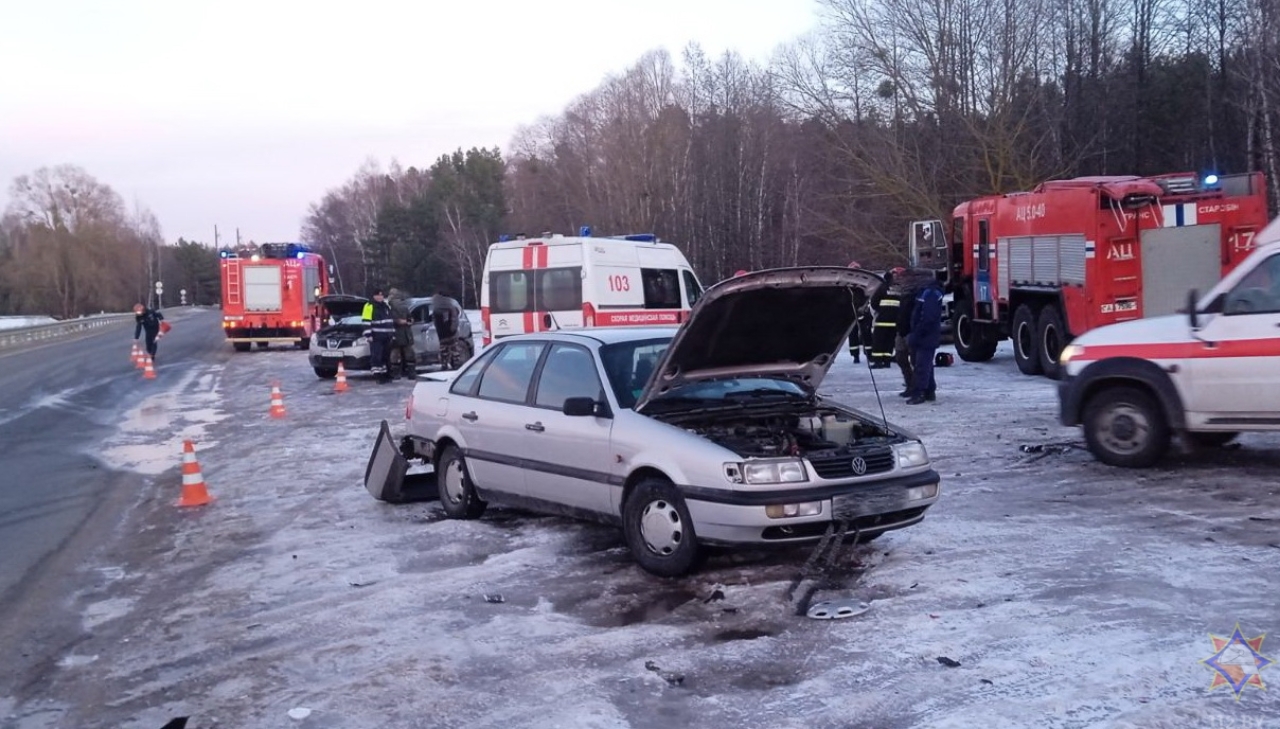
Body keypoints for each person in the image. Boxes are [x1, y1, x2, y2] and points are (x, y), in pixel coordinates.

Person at [905, 275, 946, 404]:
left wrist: (917, 333)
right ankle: (929, 390)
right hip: (926, 335)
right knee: (926, 364)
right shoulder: (928, 292)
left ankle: (920, 393)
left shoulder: (930, 293)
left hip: (925, 336)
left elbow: (928, 317)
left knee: (922, 365)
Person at [869, 268, 902, 369]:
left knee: (878, 341)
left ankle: (878, 361)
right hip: (894, 321)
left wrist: (881, 310)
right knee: (889, 341)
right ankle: (887, 361)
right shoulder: (899, 289)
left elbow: (874, 302)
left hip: (882, 320)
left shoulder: (882, 287)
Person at [361, 289, 396, 383]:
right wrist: (368, 335)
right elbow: (366, 321)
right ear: (374, 296)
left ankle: (385, 375)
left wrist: (392, 334)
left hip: (387, 336)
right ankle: (378, 376)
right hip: (376, 336)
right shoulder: (369, 306)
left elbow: (390, 321)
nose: (380, 297)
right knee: (377, 357)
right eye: (378, 295)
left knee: (385, 357)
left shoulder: (385, 306)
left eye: (381, 295)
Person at [894, 271, 918, 395]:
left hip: (910, 331)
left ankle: (916, 387)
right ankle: (910, 384)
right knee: (900, 358)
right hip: (901, 330)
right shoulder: (902, 294)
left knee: (915, 361)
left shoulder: (915, 294)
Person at [430, 288, 463, 370]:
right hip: (451, 333)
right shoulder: (451, 307)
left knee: (444, 351)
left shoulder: (436, 308)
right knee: (455, 350)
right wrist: (453, 329)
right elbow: (455, 319)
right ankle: (456, 365)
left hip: (441, 334)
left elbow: (434, 320)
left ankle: (444, 365)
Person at [387, 288, 415, 380]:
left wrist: (403, 321)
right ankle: (411, 373)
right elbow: (411, 318)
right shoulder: (405, 305)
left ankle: (396, 373)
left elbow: (392, 320)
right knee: (409, 354)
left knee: (395, 355)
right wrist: (408, 322)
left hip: (396, 333)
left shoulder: (390, 306)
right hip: (407, 333)